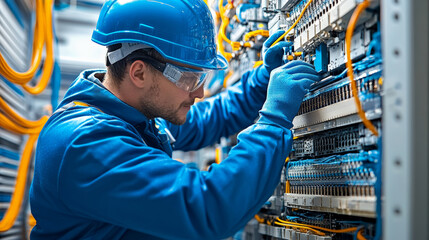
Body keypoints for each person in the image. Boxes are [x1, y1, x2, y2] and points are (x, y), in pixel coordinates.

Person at [29, 0, 320, 239]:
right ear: (139, 73)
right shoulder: (85, 143)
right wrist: (273, 121)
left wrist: (261, 82)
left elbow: (210, 118)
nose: (201, 92)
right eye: (190, 78)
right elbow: (206, 208)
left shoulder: (133, 116)